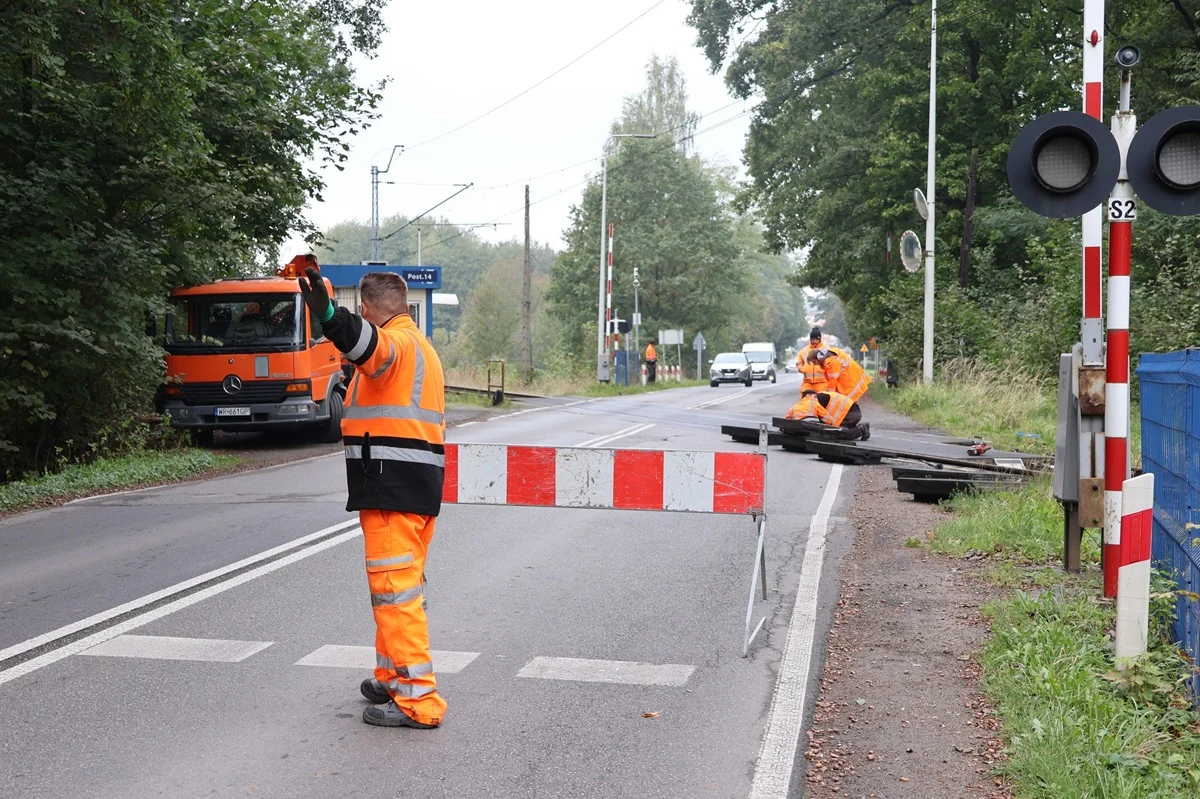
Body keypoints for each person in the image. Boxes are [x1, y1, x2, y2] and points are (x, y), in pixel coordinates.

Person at [298, 257, 448, 730]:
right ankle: (392, 678)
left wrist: (327, 314)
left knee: (394, 594)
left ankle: (419, 702)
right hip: (410, 485)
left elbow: (369, 346)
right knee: (398, 592)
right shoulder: (419, 345)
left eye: (360, 314)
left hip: (392, 487)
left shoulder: (395, 344)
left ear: (367, 310)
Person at [785, 389, 870, 441]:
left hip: (851, 413)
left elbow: (827, 420)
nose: (815, 399)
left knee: (834, 434)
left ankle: (860, 429)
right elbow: (826, 419)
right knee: (833, 431)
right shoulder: (817, 399)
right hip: (851, 412)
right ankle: (855, 429)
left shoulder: (815, 400)